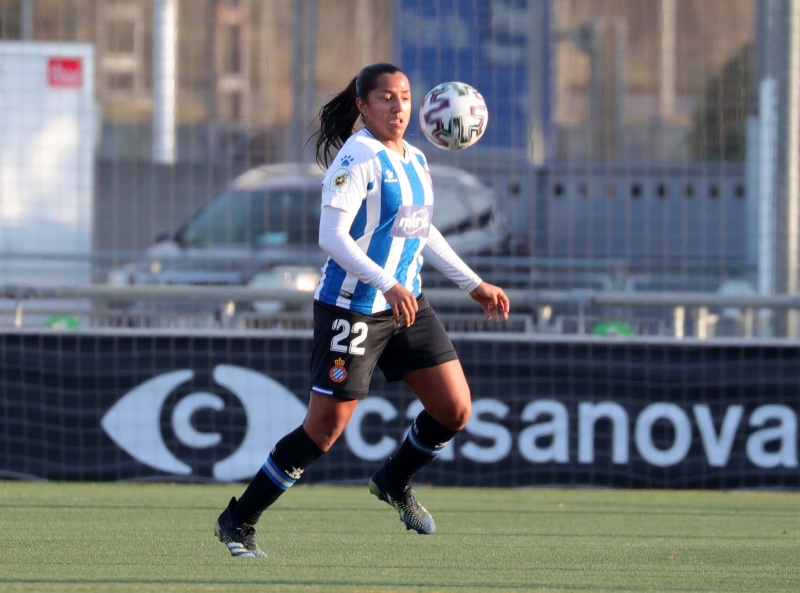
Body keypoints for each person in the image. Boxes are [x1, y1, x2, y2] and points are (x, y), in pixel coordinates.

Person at [214, 62, 510, 558]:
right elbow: (330, 237)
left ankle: (394, 480)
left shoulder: (415, 158)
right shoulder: (357, 158)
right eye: (386, 98)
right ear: (363, 106)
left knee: (455, 409)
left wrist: (473, 283)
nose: (398, 108)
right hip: (353, 308)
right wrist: (387, 282)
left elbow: (420, 231)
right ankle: (238, 520)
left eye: (405, 97)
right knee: (324, 430)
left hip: (406, 304)